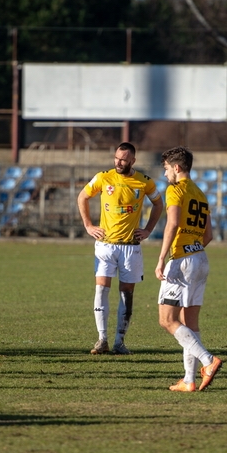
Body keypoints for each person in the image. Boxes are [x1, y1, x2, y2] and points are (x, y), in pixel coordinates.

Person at [77, 142, 163, 355]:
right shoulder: (103, 177)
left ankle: (119, 342)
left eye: (123, 159)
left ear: (133, 161)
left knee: (127, 294)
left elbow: (159, 204)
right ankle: (102, 339)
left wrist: (148, 230)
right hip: (105, 245)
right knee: (101, 289)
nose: (118, 162)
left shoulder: (144, 182)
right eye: (116, 158)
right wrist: (88, 225)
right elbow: (83, 197)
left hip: (130, 248)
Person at [154, 147, 221, 392]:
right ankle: (189, 380)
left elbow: (172, 223)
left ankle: (208, 361)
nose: (165, 175)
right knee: (189, 323)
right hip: (200, 258)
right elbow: (209, 234)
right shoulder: (201, 193)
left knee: (167, 320)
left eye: (166, 169)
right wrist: (194, 249)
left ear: (177, 167)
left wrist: (162, 258)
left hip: (181, 260)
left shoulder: (176, 190)